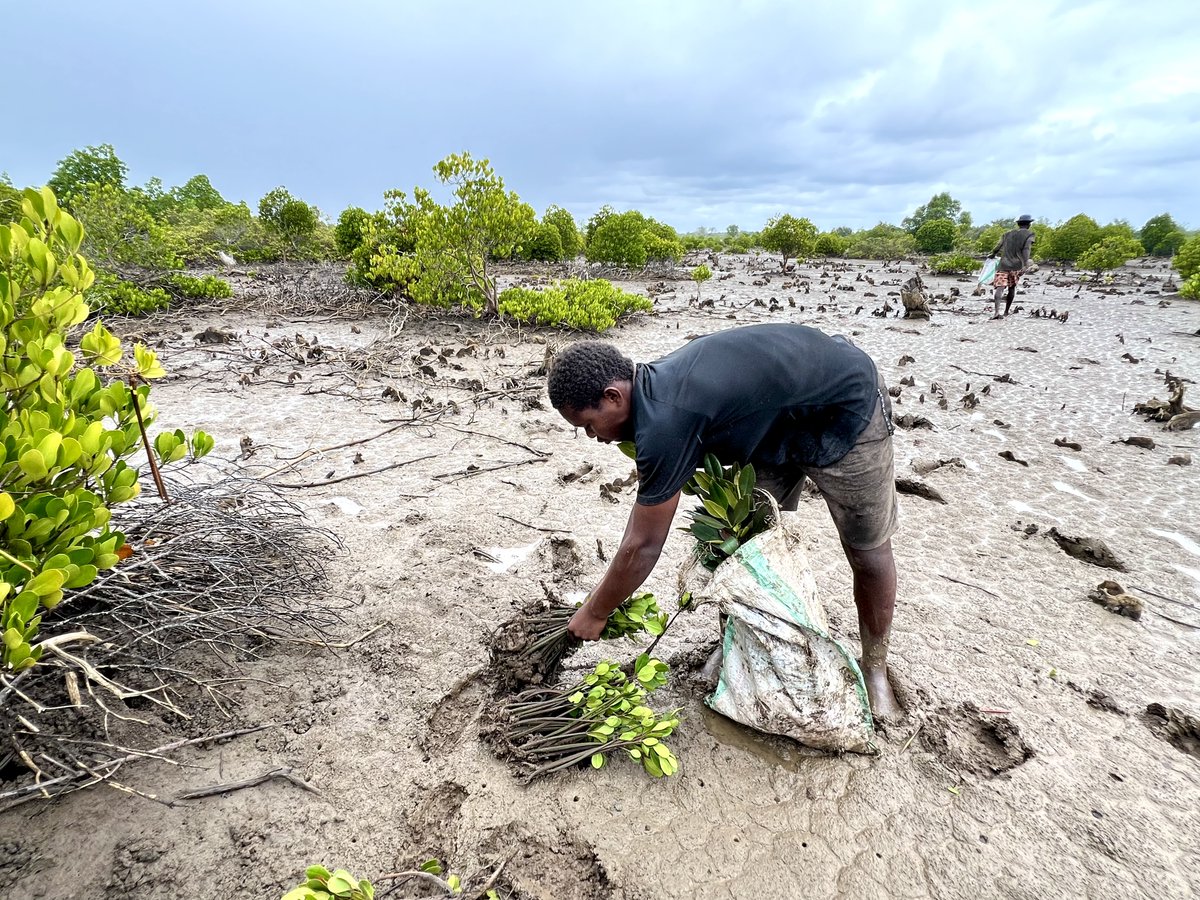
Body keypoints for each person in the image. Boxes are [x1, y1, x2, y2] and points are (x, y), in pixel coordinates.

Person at [546, 324, 902, 720]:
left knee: (867, 551)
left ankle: (874, 668)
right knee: (743, 545)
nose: (593, 437)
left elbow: (643, 544)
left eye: (588, 426)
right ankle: (741, 644)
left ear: (613, 397)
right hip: (773, 426)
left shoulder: (666, 421)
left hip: (844, 407)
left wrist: (596, 611)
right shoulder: (649, 391)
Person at [987, 214, 1035, 318]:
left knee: (1000, 288)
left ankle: (996, 312)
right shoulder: (1029, 234)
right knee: (1011, 288)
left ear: (1018, 224)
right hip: (1016, 266)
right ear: (1029, 224)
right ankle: (1006, 311)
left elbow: (998, 246)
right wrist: (1026, 265)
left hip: (1003, 265)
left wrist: (993, 254)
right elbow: (1026, 249)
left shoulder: (1007, 234)